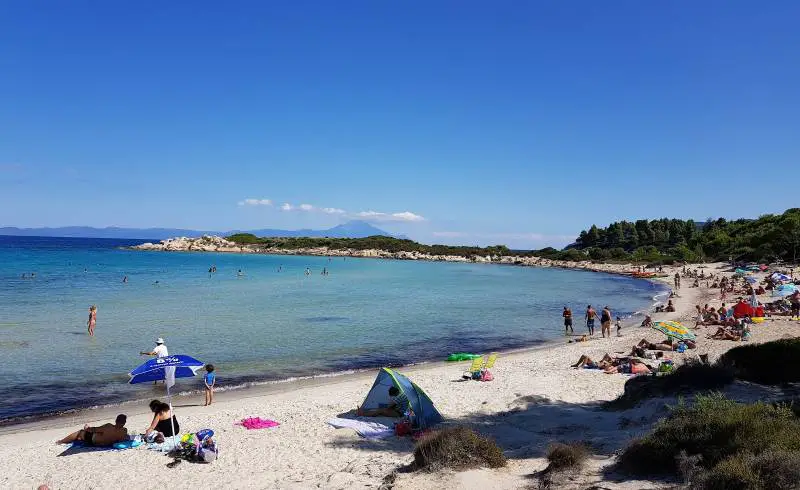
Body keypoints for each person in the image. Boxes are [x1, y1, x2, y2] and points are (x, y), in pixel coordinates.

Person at [57, 414, 128, 446]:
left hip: (93, 442)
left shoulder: (108, 426)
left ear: (116, 420)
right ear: (124, 422)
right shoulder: (124, 431)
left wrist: (86, 427)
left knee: (80, 432)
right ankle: (79, 438)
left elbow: (93, 430)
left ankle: (61, 441)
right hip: (107, 444)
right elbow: (122, 439)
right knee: (90, 433)